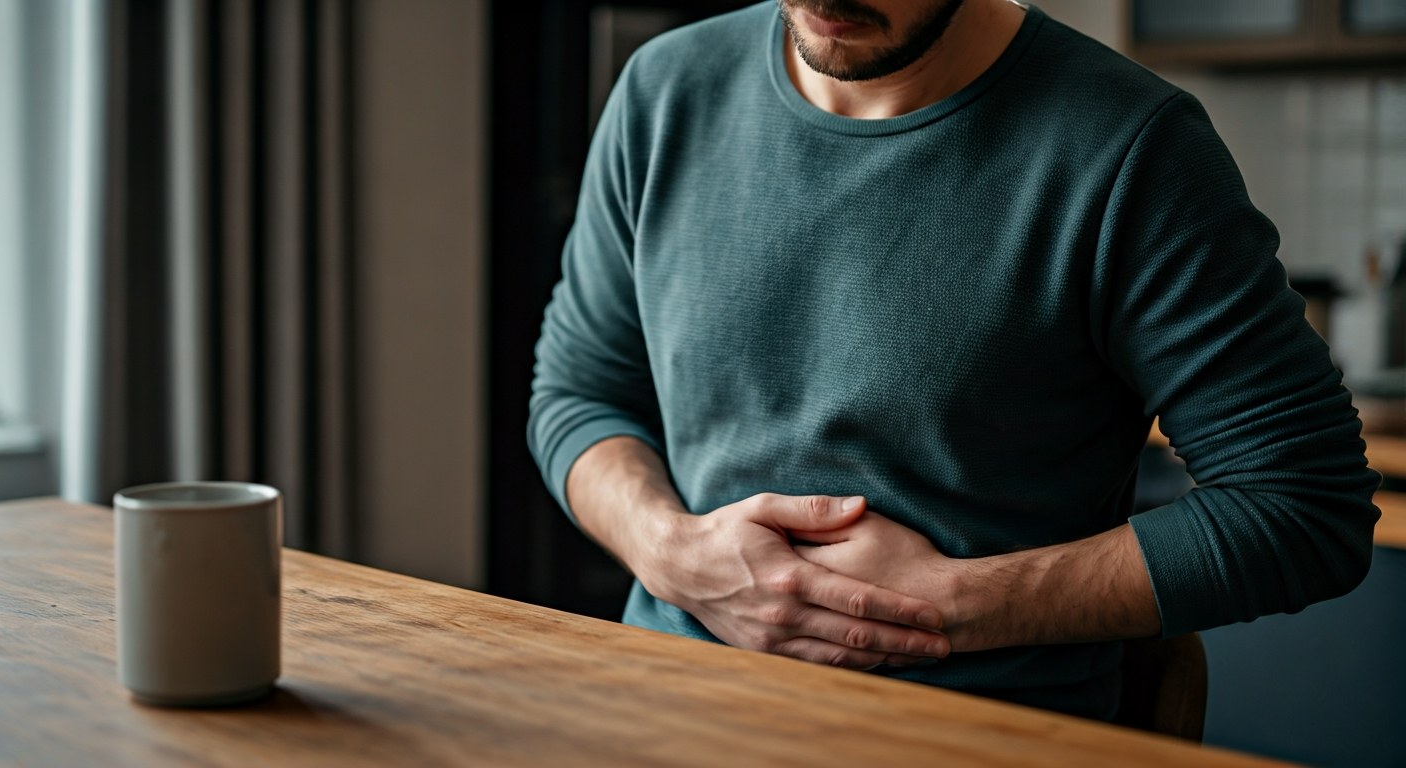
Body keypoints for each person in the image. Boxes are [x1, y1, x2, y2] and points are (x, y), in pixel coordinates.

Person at [527, 0, 1381, 720]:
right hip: (668, 709)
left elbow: (1304, 505)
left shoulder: (1131, 149)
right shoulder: (663, 90)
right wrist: (671, 552)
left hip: (971, 732)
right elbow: (577, 395)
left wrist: (941, 606)